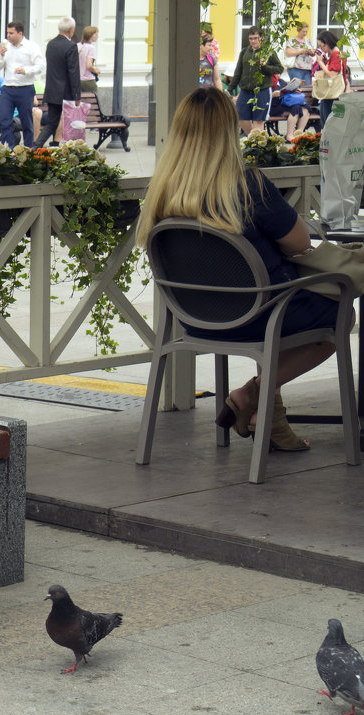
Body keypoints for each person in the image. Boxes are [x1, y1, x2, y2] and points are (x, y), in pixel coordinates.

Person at [136, 87, 341, 453]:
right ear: (229, 132)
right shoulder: (247, 186)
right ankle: (249, 395)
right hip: (260, 314)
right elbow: (299, 244)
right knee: (339, 317)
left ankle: (269, 420)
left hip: (193, 317)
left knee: (280, 308)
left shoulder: (163, 191)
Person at [0, 20, 44, 147]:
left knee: (27, 121)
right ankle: (8, 148)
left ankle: (28, 148)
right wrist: (0, 55)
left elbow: (40, 66)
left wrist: (26, 70)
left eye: (11, 33)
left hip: (25, 88)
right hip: (8, 88)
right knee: (5, 120)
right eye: (7, 33)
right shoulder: (7, 47)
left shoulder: (31, 47)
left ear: (20, 34)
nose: (8, 36)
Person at [34, 17, 81, 148]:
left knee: (52, 123)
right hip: (66, 93)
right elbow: (74, 72)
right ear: (71, 31)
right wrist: (77, 95)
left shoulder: (51, 44)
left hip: (52, 90)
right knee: (71, 123)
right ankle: (71, 150)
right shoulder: (71, 46)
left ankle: (37, 146)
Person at [227, 27, 283, 135]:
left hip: (262, 90)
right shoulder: (244, 52)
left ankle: (257, 146)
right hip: (245, 91)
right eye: (251, 38)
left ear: (261, 38)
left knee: (258, 120)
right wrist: (230, 88)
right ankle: (253, 140)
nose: (253, 41)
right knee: (240, 117)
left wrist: (265, 66)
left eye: (255, 38)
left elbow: (279, 68)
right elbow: (238, 71)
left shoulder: (268, 52)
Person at [313, 30, 348, 127]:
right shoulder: (340, 54)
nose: (321, 48)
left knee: (328, 124)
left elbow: (332, 75)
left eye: (322, 46)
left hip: (332, 95)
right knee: (335, 124)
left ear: (328, 42)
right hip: (337, 94)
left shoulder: (336, 55)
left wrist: (320, 63)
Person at [77, 26, 100, 94]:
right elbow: (89, 65)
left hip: (77, 79)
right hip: (88, 79)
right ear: (90, 35)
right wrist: (96, 70)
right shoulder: (91, 48)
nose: (97, 36)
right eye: (95, 34)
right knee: (92, 101)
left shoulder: (78, 46)